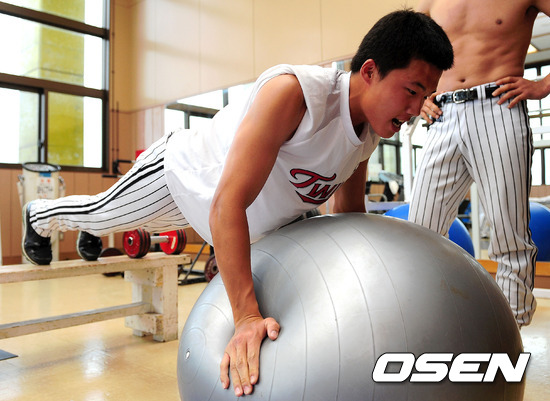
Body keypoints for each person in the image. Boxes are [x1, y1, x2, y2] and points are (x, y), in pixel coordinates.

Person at [21, 9, 453, 397]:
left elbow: (347, 216)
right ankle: (40, 216)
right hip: (182, 177)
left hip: (246, 220)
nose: (417, 108)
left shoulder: (369, 132)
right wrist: (246, 317)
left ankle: (87, 230)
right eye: (412, 91)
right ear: (371, 71)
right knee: (101, 214)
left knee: (106, 220)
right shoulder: (297, 93)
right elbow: (227, 203)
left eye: (425, 96)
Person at [410, 0, 550, 329]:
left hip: (499, 106)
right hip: (442, 115)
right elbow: (410, 48)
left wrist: (543, 84)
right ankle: (427, 322)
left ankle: (509, 334)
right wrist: (420, 96)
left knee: (508, 235)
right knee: (419, 231)